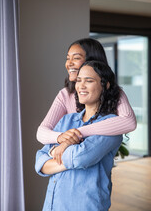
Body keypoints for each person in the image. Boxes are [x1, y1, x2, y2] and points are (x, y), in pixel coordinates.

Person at [35, 61, 123, 211]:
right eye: (79, 80)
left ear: (105, 85)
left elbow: (80, 158)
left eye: (89, 81)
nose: (81, 86)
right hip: (52, 205)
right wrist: (53, 152)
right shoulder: (66, 120)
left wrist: (61, 148)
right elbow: (40, 162)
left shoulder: (111, 126)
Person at [36, 38, 136, 160]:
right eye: (68, 58)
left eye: (76, 58)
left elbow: (129, 122)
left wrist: (76, 133)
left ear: (92, 62)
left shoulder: (115, 92)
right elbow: (41, 132)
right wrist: (61, 137)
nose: (69, 63)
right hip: (67, 162)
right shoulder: (65, 94)